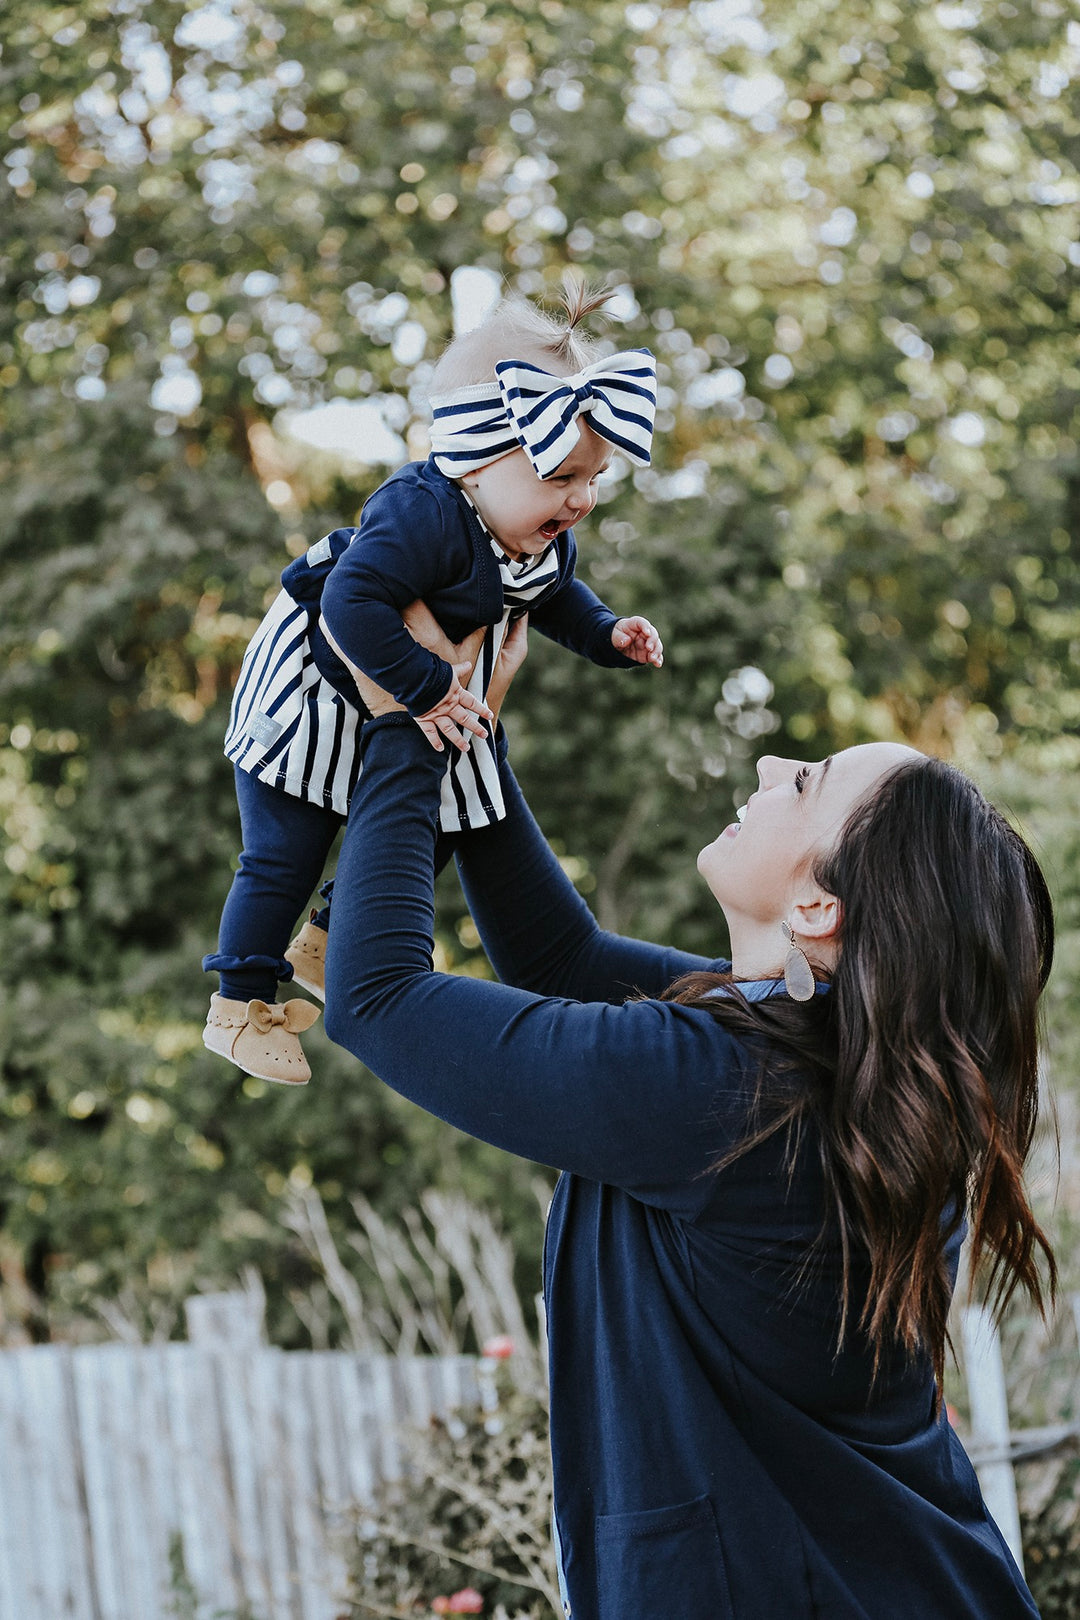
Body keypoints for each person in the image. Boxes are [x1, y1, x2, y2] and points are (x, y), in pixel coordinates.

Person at [320, 617, 1054, 1620]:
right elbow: (565, 963)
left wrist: (402, 722)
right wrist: (464, 716)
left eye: (807, 783)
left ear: (817, 911)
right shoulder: (811, 1066)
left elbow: (377, 999)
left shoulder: (738, 1090)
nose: (770, 759)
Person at [201, 280, 663, 1084]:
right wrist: (424, 687)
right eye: (562, 478)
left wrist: (605, 634)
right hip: (314, 692)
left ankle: (328, 935)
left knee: (455, 810)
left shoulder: (536, 534)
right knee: (285, 848)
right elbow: (352, 600)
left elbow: (551, 596)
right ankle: (239, 1003)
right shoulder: (420, 513)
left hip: (415, 697)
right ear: (476, 461)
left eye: (595, 479)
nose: (582, 501)